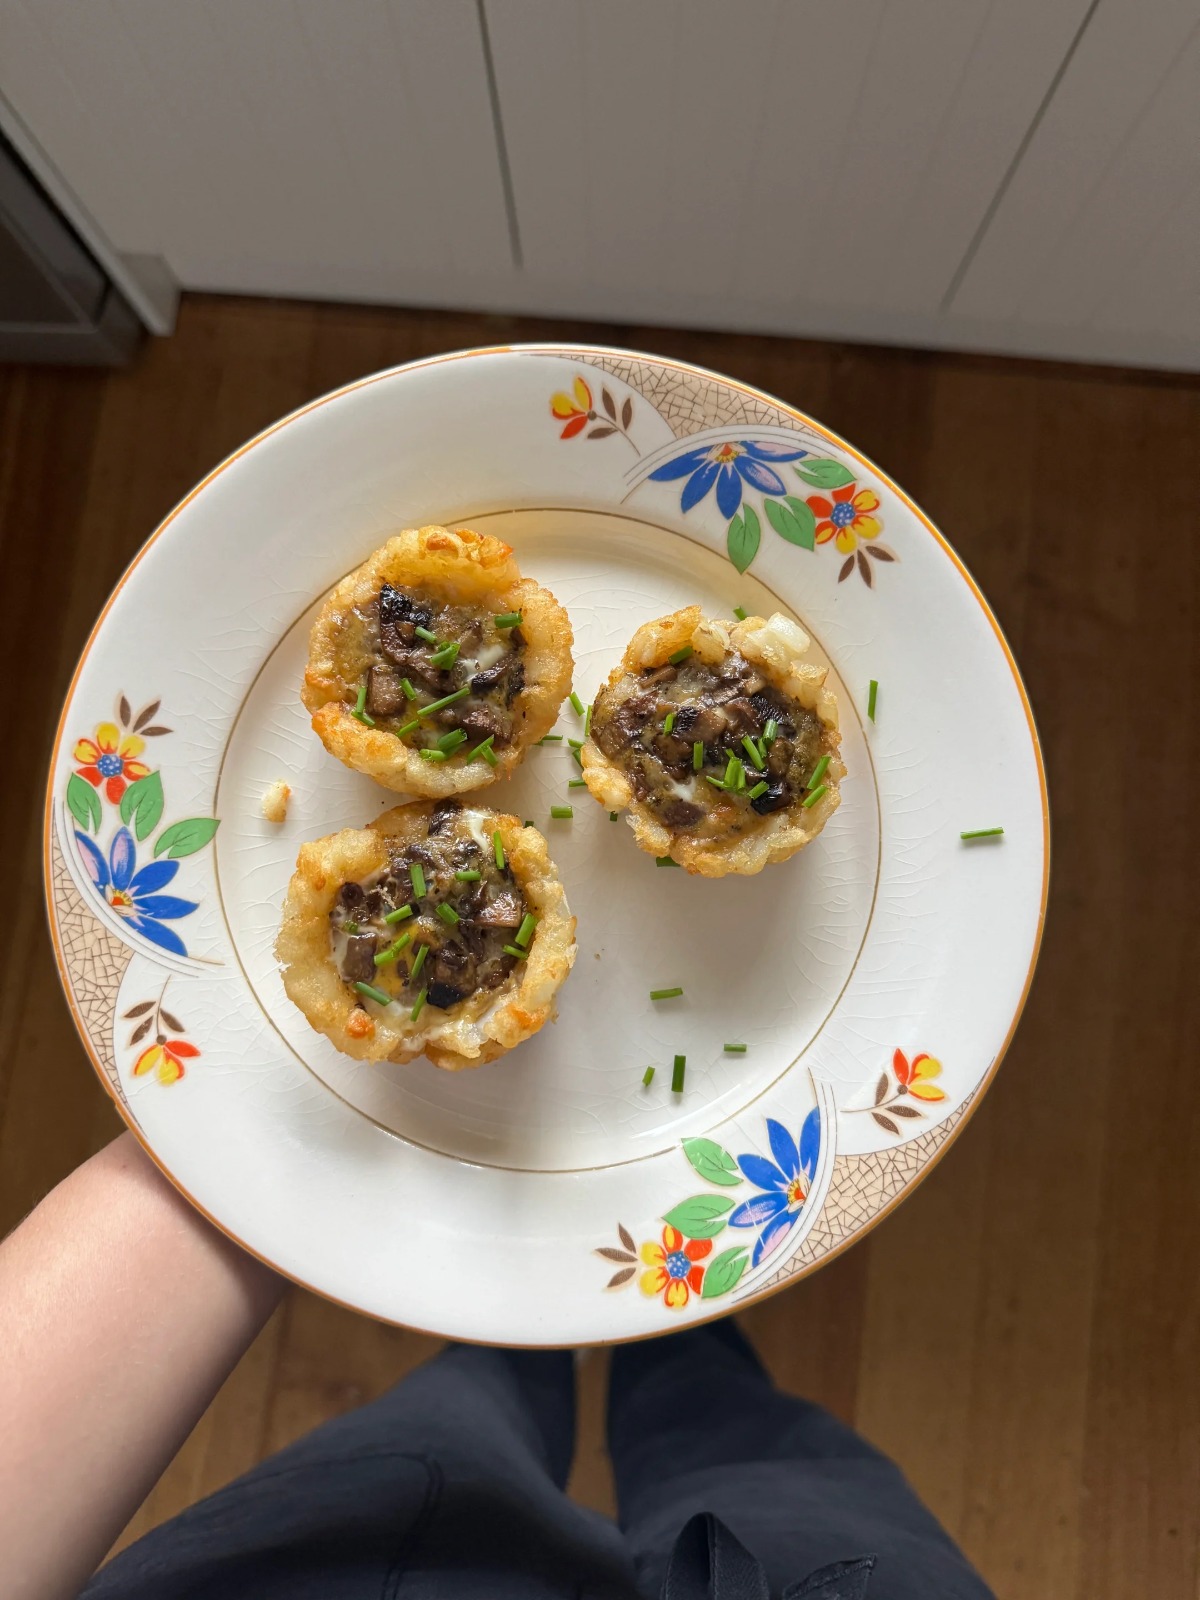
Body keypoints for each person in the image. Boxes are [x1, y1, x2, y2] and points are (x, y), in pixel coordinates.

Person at [0, 1134, 994, 1599]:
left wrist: (244, 1160)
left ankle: (545, 1322)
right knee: (756, 1455)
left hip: (329, 1573)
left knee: (452, 1425)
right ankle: (662, 1320)